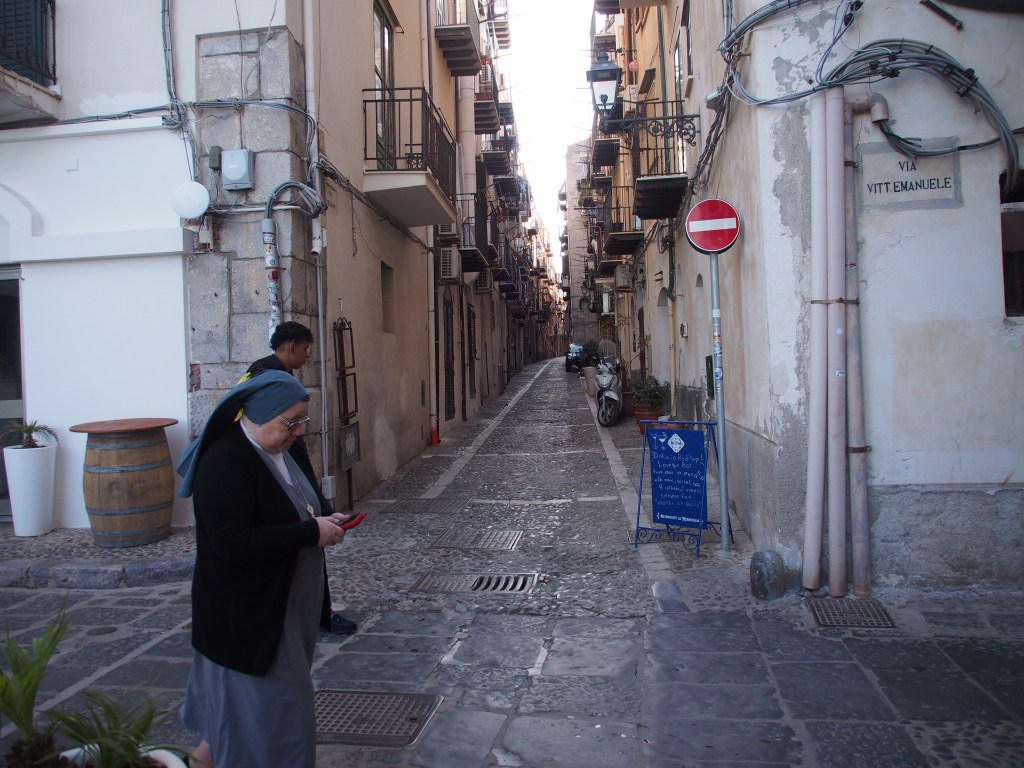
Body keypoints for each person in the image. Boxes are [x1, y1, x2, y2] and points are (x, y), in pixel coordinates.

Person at [176, 370, 352, 768]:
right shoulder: (225, 461)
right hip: (250, 616)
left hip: (283, 610)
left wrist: (324, 518)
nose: (299, 431)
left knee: (239, 719)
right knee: (275, 717)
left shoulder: (281, 450)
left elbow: (297, 506)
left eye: (302, 420)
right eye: (291, 422)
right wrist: (310, 532)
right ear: (259, 414)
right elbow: (232, 542)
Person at [242, 321, 357, 636]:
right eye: (306, 349)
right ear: (291, 346)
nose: (308, 355)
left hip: (287, 468)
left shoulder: (270, 373)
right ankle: (317, 612)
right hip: (279, 473)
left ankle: (316, 610)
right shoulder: (270, 377)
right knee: (305, 538)